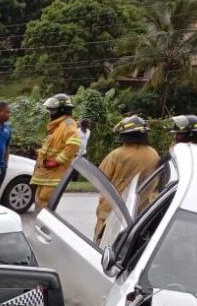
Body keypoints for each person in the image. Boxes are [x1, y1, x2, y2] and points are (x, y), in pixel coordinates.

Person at [94, 115, 160, 245]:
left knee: (102, 247)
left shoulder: (117, 155)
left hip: (111, 211)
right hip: (140, 212)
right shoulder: (154, 154)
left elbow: (100, 177)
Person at [31, 93, 82, 209]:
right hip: (46, 176)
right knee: (40, 207)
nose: (50, 113)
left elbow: (74, 145)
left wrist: (57, 161)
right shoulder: (57, 127)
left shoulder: (68, 125)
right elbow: (55, 148)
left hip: (52, 178)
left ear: (62, 110)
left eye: (52, 110)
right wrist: (38, 152)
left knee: (44, 211)